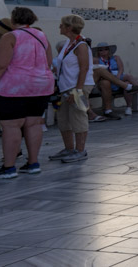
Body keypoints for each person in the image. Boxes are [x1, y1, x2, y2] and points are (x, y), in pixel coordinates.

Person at [0, 7, 56, 178]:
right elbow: (49, 62)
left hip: (15, 88)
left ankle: (9, 167)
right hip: (41, 86)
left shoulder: (10, 36)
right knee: (34, 123)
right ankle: (33, 163)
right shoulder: (42, 36)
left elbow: (1, 65)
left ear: (13, 20)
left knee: (11, 126)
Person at [51, 15, 94, 163]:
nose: (60, 27)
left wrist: (78, 90)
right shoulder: (69, 43)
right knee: (63, 118)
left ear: (69, 27)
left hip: (77, 86)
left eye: (62, 25)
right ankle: (69, 148)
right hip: (65, 87)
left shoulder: (81, 45)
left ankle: (80, 150)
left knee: (78, 116)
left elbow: (84, 68)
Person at [91, 44, 138, 117]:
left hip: (117, 78)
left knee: (128, 80)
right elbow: (93, 70)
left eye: (106, 49)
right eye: (100, 50)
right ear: (97, 52)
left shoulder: (115, 57)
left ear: (109, 50)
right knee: (126, 82)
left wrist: (118, 75)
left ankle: (128, 107)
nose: (103, 51)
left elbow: (121, 68)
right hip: (107, 80)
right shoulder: (96, 59)